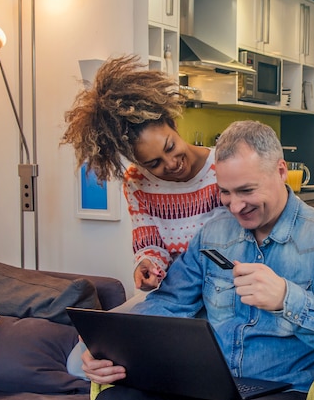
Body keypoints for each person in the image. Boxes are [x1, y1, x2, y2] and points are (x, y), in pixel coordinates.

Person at [83, 120, 314, 400]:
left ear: (280, 172)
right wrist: (110, 349)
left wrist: (286, 299)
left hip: (288, 389)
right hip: (214, 387)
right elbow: (170, 303)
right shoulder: (213, 235)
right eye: (225, 192)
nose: (235, 206)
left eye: (247, 190)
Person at [62, 55, 223, 292]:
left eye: (170, 146)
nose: (171, 164)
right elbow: (151, 245)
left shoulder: (223, 166)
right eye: (154, 163)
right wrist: (148, 265)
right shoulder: (137, 182)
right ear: (137, 161)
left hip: (225, 289)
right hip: (177, 293)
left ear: (173, 124)